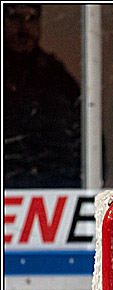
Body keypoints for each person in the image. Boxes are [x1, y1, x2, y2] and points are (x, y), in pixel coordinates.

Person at [4, 3, 81, 188]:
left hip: (53, 188)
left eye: (32, 18)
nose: (23, 27)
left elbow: (84, 134)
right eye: (14, 17)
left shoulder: (55, 75)